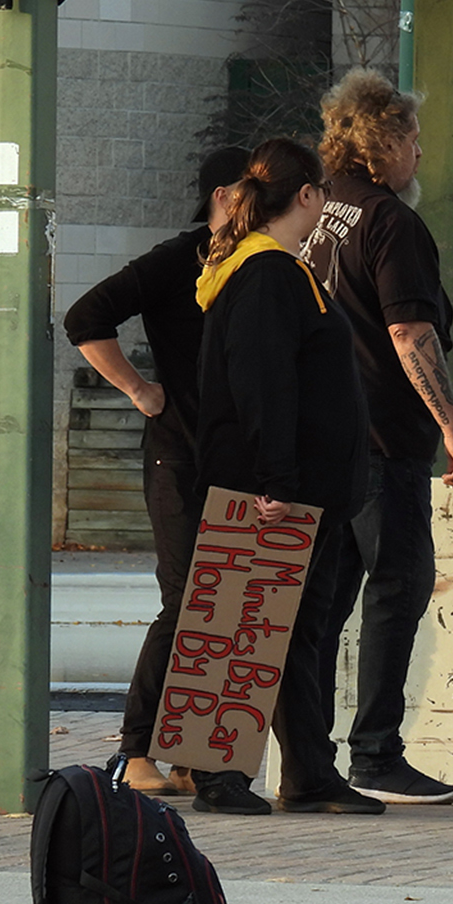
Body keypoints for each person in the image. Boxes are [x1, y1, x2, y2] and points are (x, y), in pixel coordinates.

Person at [186, 138, 380, 816]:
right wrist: (276, 480)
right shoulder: (268, 273)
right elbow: (264, 381)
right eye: (322, 193)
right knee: (247, 625)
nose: (325, 204)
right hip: (272, 488)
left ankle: (308, 771)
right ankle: (218, 772)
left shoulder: (265, 268)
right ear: (306, 196)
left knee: (294, 630)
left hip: (292, 485)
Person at [302, 68, 453, 806]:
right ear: (385, 142)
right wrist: (452, 425)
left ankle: (308, 752)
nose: (420, 154)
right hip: (382, 438)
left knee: (327, 599)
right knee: (397, 588)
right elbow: (409, 330)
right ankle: (375, 752)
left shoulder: (311, 212)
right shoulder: (389, 221)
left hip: (320, 438)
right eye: (412, 138)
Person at [63, 147, 248, 797]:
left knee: (221, 604)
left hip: (228, 458)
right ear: (225, 196)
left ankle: (191, 754)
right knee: (187, 601)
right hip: (179, 454)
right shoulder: (180, 258)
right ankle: (137, 750)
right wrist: (141, 390)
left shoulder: (256, 263)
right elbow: (85, 316)